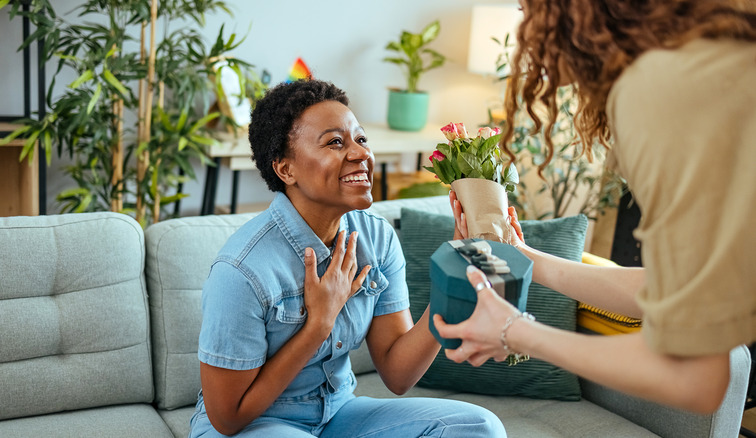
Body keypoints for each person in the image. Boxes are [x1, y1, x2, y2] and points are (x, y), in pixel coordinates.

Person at [434, 0, 756, 414]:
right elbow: (673, 290)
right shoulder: (699, 64)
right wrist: (528, 258)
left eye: (528, 6)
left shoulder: (661, 90)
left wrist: (514, 330)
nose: (525, 27)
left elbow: (693, 378)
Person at [190, 79, 505, 437]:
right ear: (285, 169)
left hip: (339, 412)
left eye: (361, 139)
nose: (360, 154)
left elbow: (398, 375)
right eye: (335, 142)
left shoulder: (376, 237)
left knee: (479, 427)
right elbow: (227, 417)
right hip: (256, 425)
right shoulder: (243, 269)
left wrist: (453, 278)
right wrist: (318, 325)